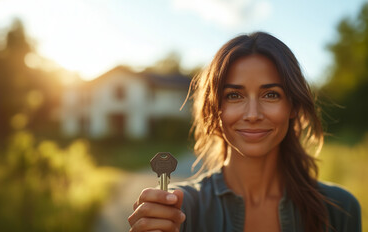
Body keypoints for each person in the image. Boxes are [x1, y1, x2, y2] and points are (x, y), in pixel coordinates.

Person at [128, 32, 362, 232]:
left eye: (271, 94)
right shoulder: (180, 210)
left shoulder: (340, 209)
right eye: (234, 95)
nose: (252, 114)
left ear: (293, 106)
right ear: (216, 108)